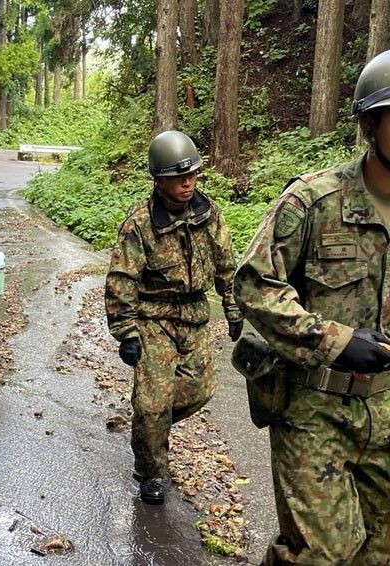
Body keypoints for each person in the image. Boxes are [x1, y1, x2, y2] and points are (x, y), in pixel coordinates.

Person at [233, 47, 390, 565]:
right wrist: (334, 340)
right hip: (312, 409)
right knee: (322, 555)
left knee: (375, 556)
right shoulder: (314, 201)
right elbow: (254, 285)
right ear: (372, 125)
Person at [105, 130, 244, 505]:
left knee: (199, 391)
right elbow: (121, 279)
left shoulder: (208, 214)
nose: (187, 184)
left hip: (195, 316)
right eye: (178, 178)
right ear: (158, 180)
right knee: (152, 404)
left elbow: (226, 265)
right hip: (153, 319)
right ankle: (152, 470)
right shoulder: (140, 223)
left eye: (192, 176)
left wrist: (232, 309)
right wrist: (126, 332)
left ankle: (148, 431)